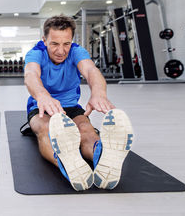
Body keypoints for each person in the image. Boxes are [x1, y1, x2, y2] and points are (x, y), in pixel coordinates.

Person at [24, 15, 134, 191]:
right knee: (46, 130)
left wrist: (98, 93)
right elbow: (31, 75)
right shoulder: (36, 53)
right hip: (41, 106)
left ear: (72, 41)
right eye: (54, 44)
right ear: (44, 40)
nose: (61, 51)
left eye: (66, 44)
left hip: (71, 107)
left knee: (85, 129)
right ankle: (68, 163)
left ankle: (102, 158)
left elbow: (91, 70)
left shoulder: (77, 51)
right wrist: (42, 95)